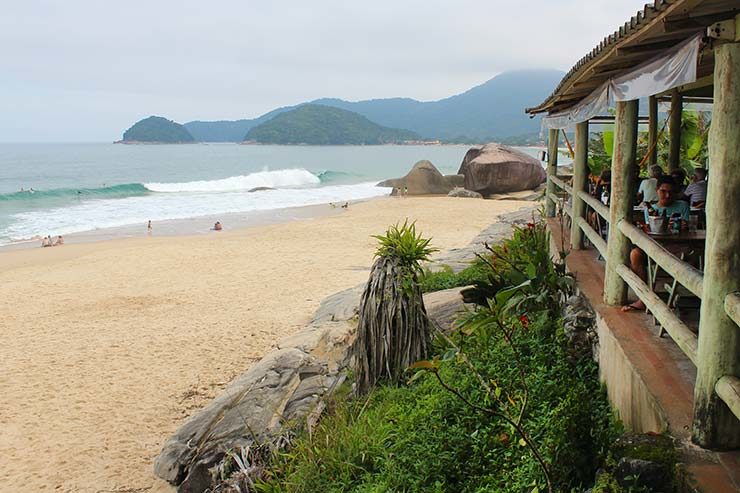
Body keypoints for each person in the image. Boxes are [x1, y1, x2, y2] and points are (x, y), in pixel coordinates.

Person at [622, 175, 690, 312]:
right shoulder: (650, 209)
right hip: (656, 248)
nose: (667, 195)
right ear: (657, 190)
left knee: (690, 254)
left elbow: (688, 228)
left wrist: (683, 226)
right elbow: (649, 230)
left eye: (671, 192)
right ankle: (643, 296)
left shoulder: (683, 206)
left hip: (678, 248)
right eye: (663, 191)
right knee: (635, 254)